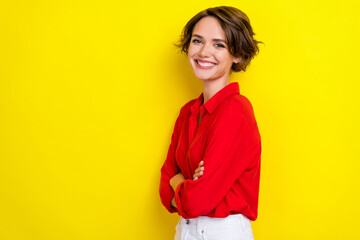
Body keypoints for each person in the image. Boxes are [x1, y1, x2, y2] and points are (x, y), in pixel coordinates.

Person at [159, 6, 263, 240]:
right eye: (198, 41)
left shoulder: (236, 111)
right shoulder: (187, 112)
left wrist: (178, 180)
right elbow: (164, 186)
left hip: (222, 232)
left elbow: (199, 200)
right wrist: (185, 184)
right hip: (184, 231)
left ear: (237, 55)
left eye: (219, 44)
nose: (204, 52)